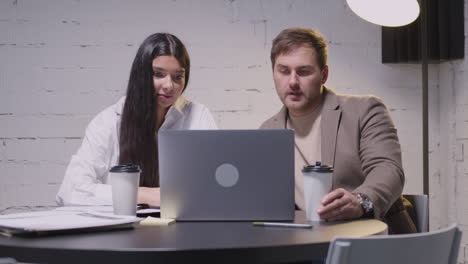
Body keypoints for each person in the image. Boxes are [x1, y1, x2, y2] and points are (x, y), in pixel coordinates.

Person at [260, 27, 416, 233]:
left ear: (324, 74)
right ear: (273, 73)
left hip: (373, 239)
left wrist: (361, 202)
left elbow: (388, 169)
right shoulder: (267, 132)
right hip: (304, 244)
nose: (293, 82)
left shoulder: (365, 110)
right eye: (284, 70)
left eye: (304, 71)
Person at [56, 33, 217, 207]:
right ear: (141, 75)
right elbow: (70, 191)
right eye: (158, 74)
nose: (169, 85)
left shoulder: (198, 116)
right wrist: (143, 194)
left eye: (178, 76)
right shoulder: (109, 122)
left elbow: (214, 184)